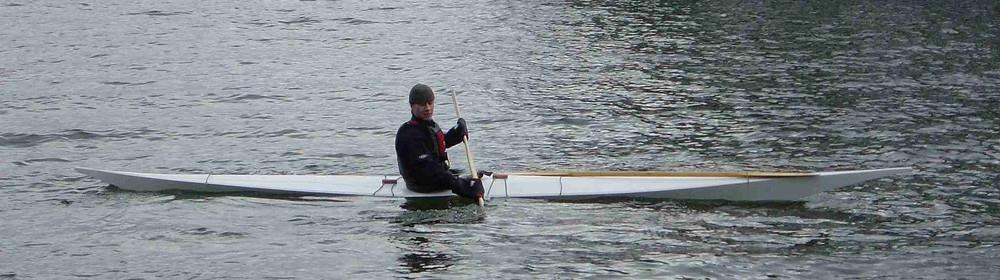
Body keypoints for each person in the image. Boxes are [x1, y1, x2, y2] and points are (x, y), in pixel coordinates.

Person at [395, 84, 484, 200]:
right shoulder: (408, 135)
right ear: (412, 106)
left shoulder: (427, 125)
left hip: (436, 176)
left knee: (477, 174)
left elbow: (437, 145)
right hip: (423, 186)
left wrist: (457, 133)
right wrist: (462, 186)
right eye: (422, 104)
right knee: (467, 183)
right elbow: (430, 170)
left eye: (430, 103)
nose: (427, 108)